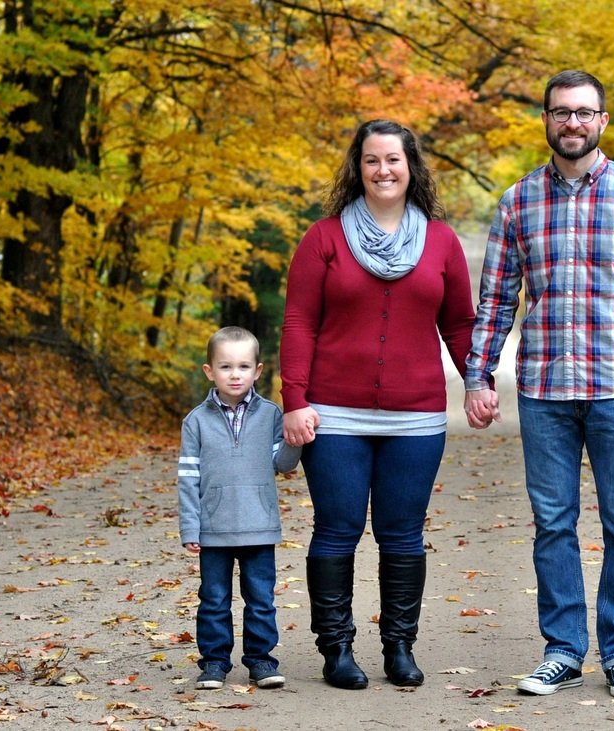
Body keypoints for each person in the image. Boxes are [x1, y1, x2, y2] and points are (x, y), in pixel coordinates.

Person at [464, 70, 614, 700]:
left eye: (584, 113)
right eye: (561, 113)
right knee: (553, 523)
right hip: (543, 390)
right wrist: (479, 376)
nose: (572, 123)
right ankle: (562, 649)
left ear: (602, 121)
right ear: (546, 120)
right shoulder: (518, 201)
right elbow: (496, 299)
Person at [280, 119, 475, 690]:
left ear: (411, 166)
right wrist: (294, 399)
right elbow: (299, 323)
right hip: (333, 412)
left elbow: (459, 323)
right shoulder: (323, 238)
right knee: (337, 529)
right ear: (357, 167)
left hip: (416, 416)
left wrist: (478, 382)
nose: (383, 170)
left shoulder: (440, 241)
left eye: (393, 159)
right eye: (371, 160)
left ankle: (399, 646)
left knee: (403, 534)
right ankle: (336, 649)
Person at [177, 326, 302, 691]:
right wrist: (190, 527)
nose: (235, 374)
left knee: (260, 599)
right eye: (226, 366)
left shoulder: (271, 415)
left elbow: (283, 463)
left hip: (258, 525)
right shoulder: (196, 421)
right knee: (213, 600)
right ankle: (214, 662)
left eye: (244, 366)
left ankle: (261, 660)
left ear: (258, 371)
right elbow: (187, 479)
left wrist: (300, 440)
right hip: (213, 528)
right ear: (209, 371)